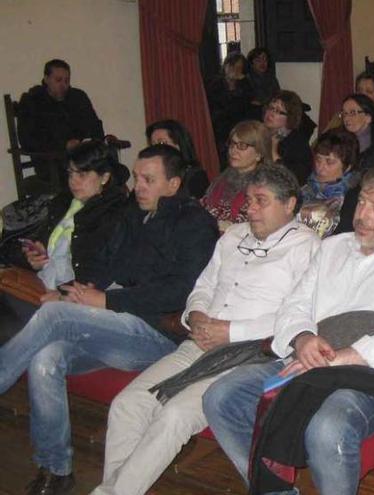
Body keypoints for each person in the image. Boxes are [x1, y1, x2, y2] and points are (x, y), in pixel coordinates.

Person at [203, 165, 374, 493]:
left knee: (328, 427)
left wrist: (343, 356)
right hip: (308, 361)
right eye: (362, 203)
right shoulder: (333, 247)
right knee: (221, 397)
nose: (362, 215)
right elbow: (295, 304)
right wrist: (303, 337)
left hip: (373, 377)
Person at [0, 145, 218, 495]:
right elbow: (103, 266)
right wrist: (70, 290)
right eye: (136, 177)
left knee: (55, 315)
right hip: (115, 326)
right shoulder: (134, 214)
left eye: (149, 180)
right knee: (45, 358)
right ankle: (55, 469)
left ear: (174, 184)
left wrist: (107, 300)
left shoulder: (195, 224)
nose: (138, 186)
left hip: (156, 333)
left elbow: (181, 292)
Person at [92, 165, 320, 495]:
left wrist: (231, 331)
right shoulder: (233, 236)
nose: (250, 209)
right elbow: (203, 286)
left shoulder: (307, 247)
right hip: (198, 343)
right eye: (249, 200)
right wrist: (196, 315)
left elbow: (298, 315)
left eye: (261, 201)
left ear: (289, 205)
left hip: (250, 356)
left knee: (174, 416)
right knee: (128, 404)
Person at [3, 141, 128, 324]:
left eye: (82, 174)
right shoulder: (62, 204)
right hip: (42, 284)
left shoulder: (115, 213)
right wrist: (31, 257)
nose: (73, 181)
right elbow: (22, 243)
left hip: (73, 296)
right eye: (70, 174)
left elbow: (103, 270)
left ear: (104, 177)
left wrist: (62, 294)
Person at [17, 59, 105, 184]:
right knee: (86, 176)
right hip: (53, 162)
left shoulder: (78, 98)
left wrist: (90, 142)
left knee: (112, 170)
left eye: (66, 81)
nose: (63, 85)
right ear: (46, 79)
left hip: (85, 158)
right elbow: (27, 139)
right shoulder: (33, 101)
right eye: (58, 80)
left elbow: (95, 126)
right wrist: (64, 145)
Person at [201, 120, 273, 230]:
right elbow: (204, 207)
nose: (233, 150)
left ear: (259, 153)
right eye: (232, 144)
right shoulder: (223, 179)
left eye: (242, 146)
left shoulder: (264, 185)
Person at [297, 130, 360, 238]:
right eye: (318, 160)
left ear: (348, 167)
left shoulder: (353, 197)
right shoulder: (303, 185)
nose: (320, 168)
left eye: (329, 162)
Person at [323, 71, 374, 147]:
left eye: (369, 92)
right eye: (359, 91)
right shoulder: (340, 116)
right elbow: (320, 143)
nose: (362, 96)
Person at [207, 52, 256, 164]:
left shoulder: (245, 84)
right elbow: (217, 106)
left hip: (239, 122)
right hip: (220, 125)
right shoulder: (215, 84)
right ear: (226, 66)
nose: (234, 70)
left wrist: (239, 85)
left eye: (238, 67)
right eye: (232, 66)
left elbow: (246, 104)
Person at [263, 90, 317, 184]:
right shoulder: (257, 131)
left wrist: (274, 151)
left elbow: (294, 179)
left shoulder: (298, 143)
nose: (271, 113)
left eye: (279, 111)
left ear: (290, 117)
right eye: (271, 108)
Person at [146, 120, 210, 198]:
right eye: (153, 145)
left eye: (162, 143)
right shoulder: (149, 177)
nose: (156, 149)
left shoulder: (195, 176)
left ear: (179, 145)